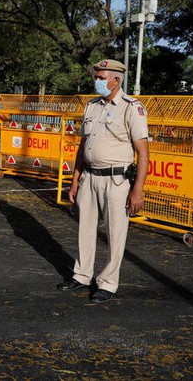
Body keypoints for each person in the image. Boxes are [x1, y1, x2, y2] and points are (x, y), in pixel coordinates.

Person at [57, 59, 149, 303]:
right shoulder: (92, 106)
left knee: (115, 233)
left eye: (100, 78)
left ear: (115, 80)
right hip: (89, 177)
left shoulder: (132, 108)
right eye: (96, 77)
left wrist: (138, 189)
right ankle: (82, 275)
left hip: (117, 180)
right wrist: (75, 179)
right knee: (84, 230)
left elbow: (144, 152)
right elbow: (83, 145)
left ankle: (108, 282)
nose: (96, 81)